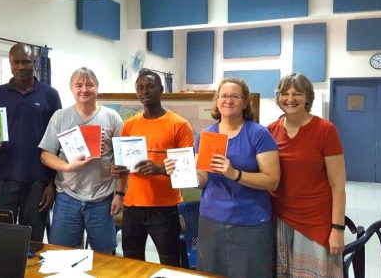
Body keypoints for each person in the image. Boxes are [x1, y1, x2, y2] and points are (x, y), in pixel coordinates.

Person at [166, 78, 280, 277]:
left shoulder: (258, 134)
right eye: (224, 96)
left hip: (250, 222)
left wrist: (234, 174)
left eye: (235, 96)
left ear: (245, 102)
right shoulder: (206, 135)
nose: (228, 100)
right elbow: (201, 179)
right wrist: (179, 171)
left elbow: (272, 180)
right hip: (212, 219)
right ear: (217, 101)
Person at [111, 70, 194, 266]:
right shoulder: (130, 124)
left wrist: (159, 169)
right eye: (140, 88)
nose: (144, 91)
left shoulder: (179, 125)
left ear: (161, 90)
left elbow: (187, 171)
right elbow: (123, 165)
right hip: (132, 207)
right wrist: (119, 189)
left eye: (150, 86)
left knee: (169, 263)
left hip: (164, 208)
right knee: (132, 263)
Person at [268, 73, 346, 277]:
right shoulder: (269, 131)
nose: (290, 99)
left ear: (308, 98)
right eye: (284, 93)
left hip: (315, 219)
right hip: (279, 218)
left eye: (297, 94)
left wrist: (337, 228)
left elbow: (338, 185)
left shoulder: (325, 130)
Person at [39, 67, 124, 253]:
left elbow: (121, 160)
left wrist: (120, 194)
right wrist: (67, 167)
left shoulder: (112, 118)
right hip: (67, 197)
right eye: (79, 85)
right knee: (61, 254)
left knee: (105, 256)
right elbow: (45, 154)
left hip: (102, 199)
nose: (84, 89)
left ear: (97, 88)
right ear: (71, 89)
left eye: (89, 85)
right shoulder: (60, 116)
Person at [0, 43, 62, 250]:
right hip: (3, 178)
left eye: (26, 61)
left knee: (33, 243)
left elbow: (58, 143)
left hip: (38, 181)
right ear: (10, 63)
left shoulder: (50, 95)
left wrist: (52, 184)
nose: (21, 66)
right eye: (16, 62)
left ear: (34, 63)